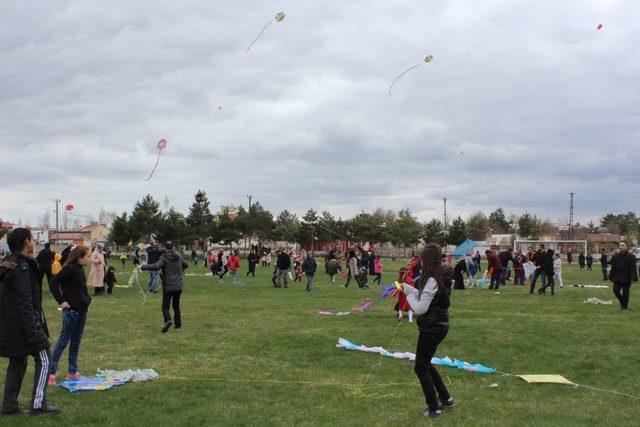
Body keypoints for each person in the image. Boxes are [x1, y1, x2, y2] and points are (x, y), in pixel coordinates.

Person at [0, 228, 59, 415]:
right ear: (26, 242)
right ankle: (38, 404)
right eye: (32, 239)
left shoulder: (8, 263)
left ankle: (9, 405)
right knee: (44, 357)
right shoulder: (22, 268)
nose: (34, 242)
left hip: (8, 324)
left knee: (18, 361)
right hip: (21, 324)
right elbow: (24, 302)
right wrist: (33, 331)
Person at [400, 244, 454, 418]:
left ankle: (434, 407)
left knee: (421, 367)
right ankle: (446, 399)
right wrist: (410, 290)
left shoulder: (432, 279)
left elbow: (421, 308)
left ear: (427, 260)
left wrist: (408, 295)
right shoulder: (437, 276)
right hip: (438, 325)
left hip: (433, 327)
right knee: (426, 362)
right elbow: (428, 297)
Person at [48, 246, 92, 386]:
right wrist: (61, 301)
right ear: (80, 257)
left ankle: (72, 371)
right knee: (63, 341)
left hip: (82, 310)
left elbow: (80, 288)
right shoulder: (70, 269)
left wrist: (86, 299)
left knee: (76, 341)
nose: (89, 259)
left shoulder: (80, 269)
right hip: (71, 311)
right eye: (87, 256)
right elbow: (53, 283)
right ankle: (51, 373)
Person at [140, 242, 188, 332]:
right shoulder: (178, 256)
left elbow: (156, 266)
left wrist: (143, 266)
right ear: (173, 247)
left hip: (168, 285)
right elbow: (186, 265)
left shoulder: (164, 257)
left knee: (165, 307)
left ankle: (168, 320)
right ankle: (178, 324)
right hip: (178, 285)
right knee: (176, 305)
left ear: (165, 248)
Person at [608, 241, 638, 311]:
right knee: (615, 290)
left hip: (627, 278)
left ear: (626, 247)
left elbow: (633, 268)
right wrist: (610, 277)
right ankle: (623, 303)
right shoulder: (616, 256)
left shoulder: (631, 256)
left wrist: (633, 278)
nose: (620, 247)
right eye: (620, 245)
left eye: (622, 245)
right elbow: (613, 267)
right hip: (617, 277)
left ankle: (624, 307)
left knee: (625, 293)